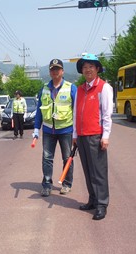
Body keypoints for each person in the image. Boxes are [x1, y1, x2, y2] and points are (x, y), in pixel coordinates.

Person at [73, 53, 113, 221]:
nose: (87, 69)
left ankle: (102, 204)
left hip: (95, 135)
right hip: (81, 136)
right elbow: (75, 113)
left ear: (97, 69)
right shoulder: (80, 89)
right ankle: (93, 199)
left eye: (91, 66)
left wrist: (105, 136)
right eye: (84, 67)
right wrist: (74, 134)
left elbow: (106, 114)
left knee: (99, 172)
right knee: (88, 171)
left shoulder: (104, 87)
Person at [33, 59, 77, 197]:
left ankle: (67, 184)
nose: (55, 72)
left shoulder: (71, 88)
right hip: (48, 130)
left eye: (57, 69)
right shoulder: (44, 89)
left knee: (67, 158)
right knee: (47, 158)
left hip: (66, 129)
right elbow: (39, 110)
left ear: (62, 71)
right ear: (50, 72)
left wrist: (76, 131)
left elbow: (77, 111)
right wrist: (36, 129)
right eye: (52, 69)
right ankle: (46, 184)